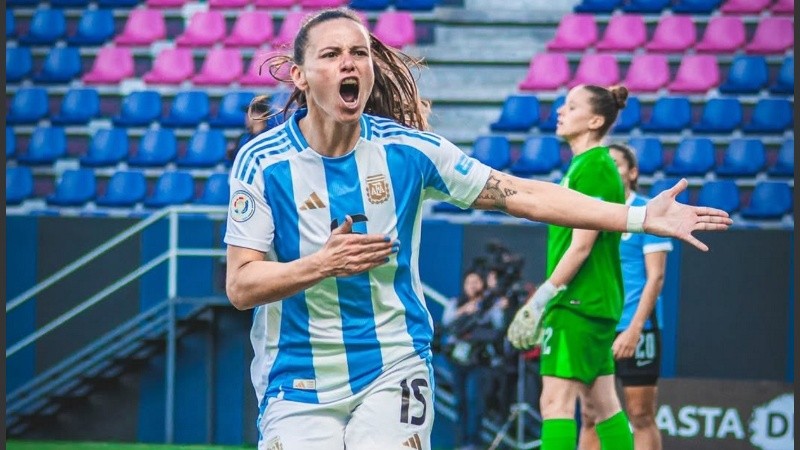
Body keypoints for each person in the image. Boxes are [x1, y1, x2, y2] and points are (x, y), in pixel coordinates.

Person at [223, 8, 730, 450]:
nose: (349, 63)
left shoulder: (410, 151)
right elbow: (242, 287)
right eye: (331, 54)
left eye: (359, 52)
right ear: (299, 76)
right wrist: (322, 264)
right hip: (295, 379)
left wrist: (639, 217)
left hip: (392, 365)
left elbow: (523, 194)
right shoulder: (263, 162)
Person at [506, 84, 636, 450]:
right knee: (602, 405)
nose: (561, 111)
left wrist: (540, 299)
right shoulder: (585, 165)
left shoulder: (594, 167)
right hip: (592, 301)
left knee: (554, 402)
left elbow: (582, 246)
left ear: (595, 120)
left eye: (572, 106)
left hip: (577, 302)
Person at [578, 143, 673, 450]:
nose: (610, 169)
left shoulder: (649, 212)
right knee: (591, 415)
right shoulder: (590, 212)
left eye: (617, 164)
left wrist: (633, 330)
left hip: (636, 329)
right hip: (597, 326)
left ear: (632, 173)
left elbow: (655, 277)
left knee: (640, 414)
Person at [441, 270, 499, 450]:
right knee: (460, 401)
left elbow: (498, 325)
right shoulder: (455, 303)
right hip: (457, 360)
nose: (473, 286)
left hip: (477, 360)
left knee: (474, 400)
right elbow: (446, 323)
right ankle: (462, 441)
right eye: (469, 282)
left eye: (476, 282)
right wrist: (464, 310)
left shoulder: (489, 306)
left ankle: (474, 443)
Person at [226, 94, 270, 161]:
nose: (246, 117)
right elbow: (235, 159)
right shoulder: (243, 137)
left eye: (250, 113)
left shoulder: (269, 137)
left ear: (260, 116)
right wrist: (231, 151)